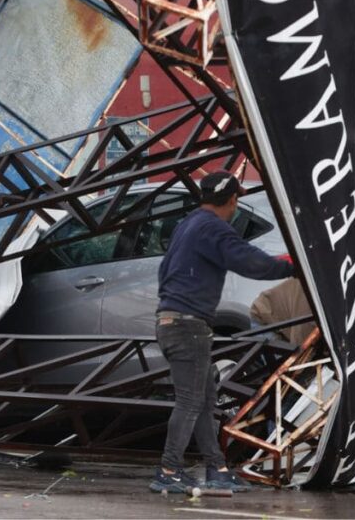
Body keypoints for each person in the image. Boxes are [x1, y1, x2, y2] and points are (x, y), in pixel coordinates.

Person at [150, 171, 295, 494]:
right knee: (191, 401)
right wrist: (292, 265)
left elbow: (165, 269)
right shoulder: (214, 228)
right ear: (232, 200)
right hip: (188, 326)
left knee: (203, 400)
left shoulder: (188, 224)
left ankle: (217, 468)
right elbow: (250, 262)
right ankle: (168, 470)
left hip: (173, 322)